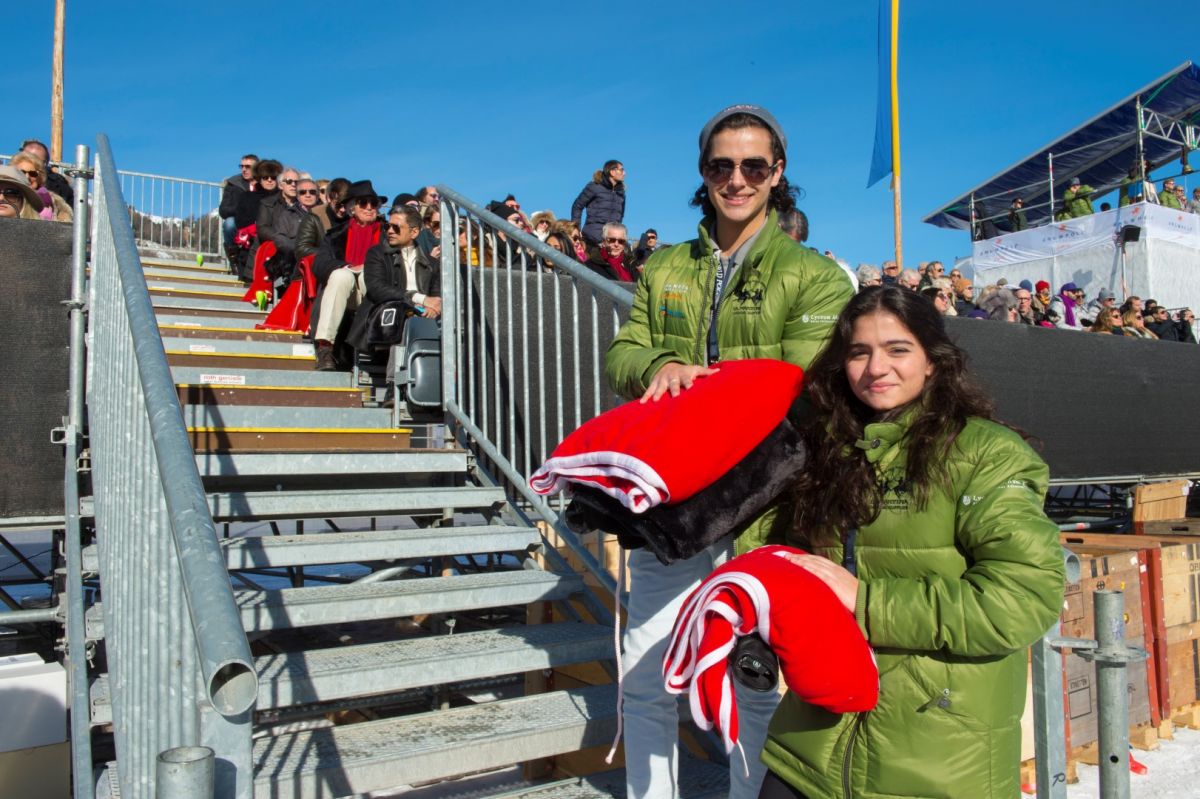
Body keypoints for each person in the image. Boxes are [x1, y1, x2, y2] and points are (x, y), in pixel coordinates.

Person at [604, 104, 853, 799]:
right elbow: (622, 353)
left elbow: (800, 385)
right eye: (721, 165)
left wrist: (705, 389)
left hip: (764, 503)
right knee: (646, 673)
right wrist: (658, 363)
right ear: (703, 172)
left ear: (777, 173)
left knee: (755, 680)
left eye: (752, 166)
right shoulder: (664, 266)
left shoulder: (815, 275)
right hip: (674, 499)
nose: (736, 179)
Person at [760, 286, 1065, 799]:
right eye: (859, 352)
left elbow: (1022, 599)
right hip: (811, 747)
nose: (876, 367)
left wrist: (867, 601)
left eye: (897, 349)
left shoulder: (986, 454)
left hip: (936, 757)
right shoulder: (830, 449)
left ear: (933, 361)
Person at [312, 180, 387, 369]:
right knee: (340, 275)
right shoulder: (335, 235)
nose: (369, 207)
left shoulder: (389, 233)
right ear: (352, 208)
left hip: (374, 291)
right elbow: (319, 265)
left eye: (373, 203)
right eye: (363, 203)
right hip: (346, 292)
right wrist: (346, 267)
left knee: (367, 274)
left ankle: (378, 344)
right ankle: (325, 347)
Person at [347, 204, 441, 354]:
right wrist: (420, 299)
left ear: (414, 232)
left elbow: (437, 295)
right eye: (387, 226)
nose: (390, 231)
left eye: (396, 227)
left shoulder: (432, 263)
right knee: (405, 319)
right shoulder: (377, 254)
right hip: (385, 321)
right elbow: (377, 288)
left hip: (422, 320)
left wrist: (432, 308)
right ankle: (397, 368)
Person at [255, 166, 309, 280]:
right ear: (280, 185)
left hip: (299, 254)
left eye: (296, 182)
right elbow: (262, 229)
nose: (293, 185)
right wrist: (284, 239)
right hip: (273, 255)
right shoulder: (267, 203)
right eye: (289, 181)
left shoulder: (306, 206)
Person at [571, 159, 626, 248]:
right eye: (621, 170)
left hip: (611, 241)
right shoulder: (595, 186)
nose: (624, 173)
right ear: (612, 172)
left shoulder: (621, 193)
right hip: (592, 239)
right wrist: (576, 229)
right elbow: (577, 206)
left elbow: (620, 216)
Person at [8, 152, 72, 222]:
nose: (27, 177)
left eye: (33, 173)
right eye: (22, 172)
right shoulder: (3, 197)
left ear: (40, 177)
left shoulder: (56, 203)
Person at [219, 154, 258, 253]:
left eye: (248, 166)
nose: (244, 169)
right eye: (242, 166)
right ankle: (233, 253)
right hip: (239, 221)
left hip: (259, 221)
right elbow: (223, 210)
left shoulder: (265, 183)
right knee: (229, 223)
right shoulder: (233, 184)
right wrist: (242, 210)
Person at [17, 139, 73, 206]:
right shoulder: (7, 177)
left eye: (37, 161)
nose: (32, 164)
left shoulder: (59, 186)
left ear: (45, 164)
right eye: (27, 159)